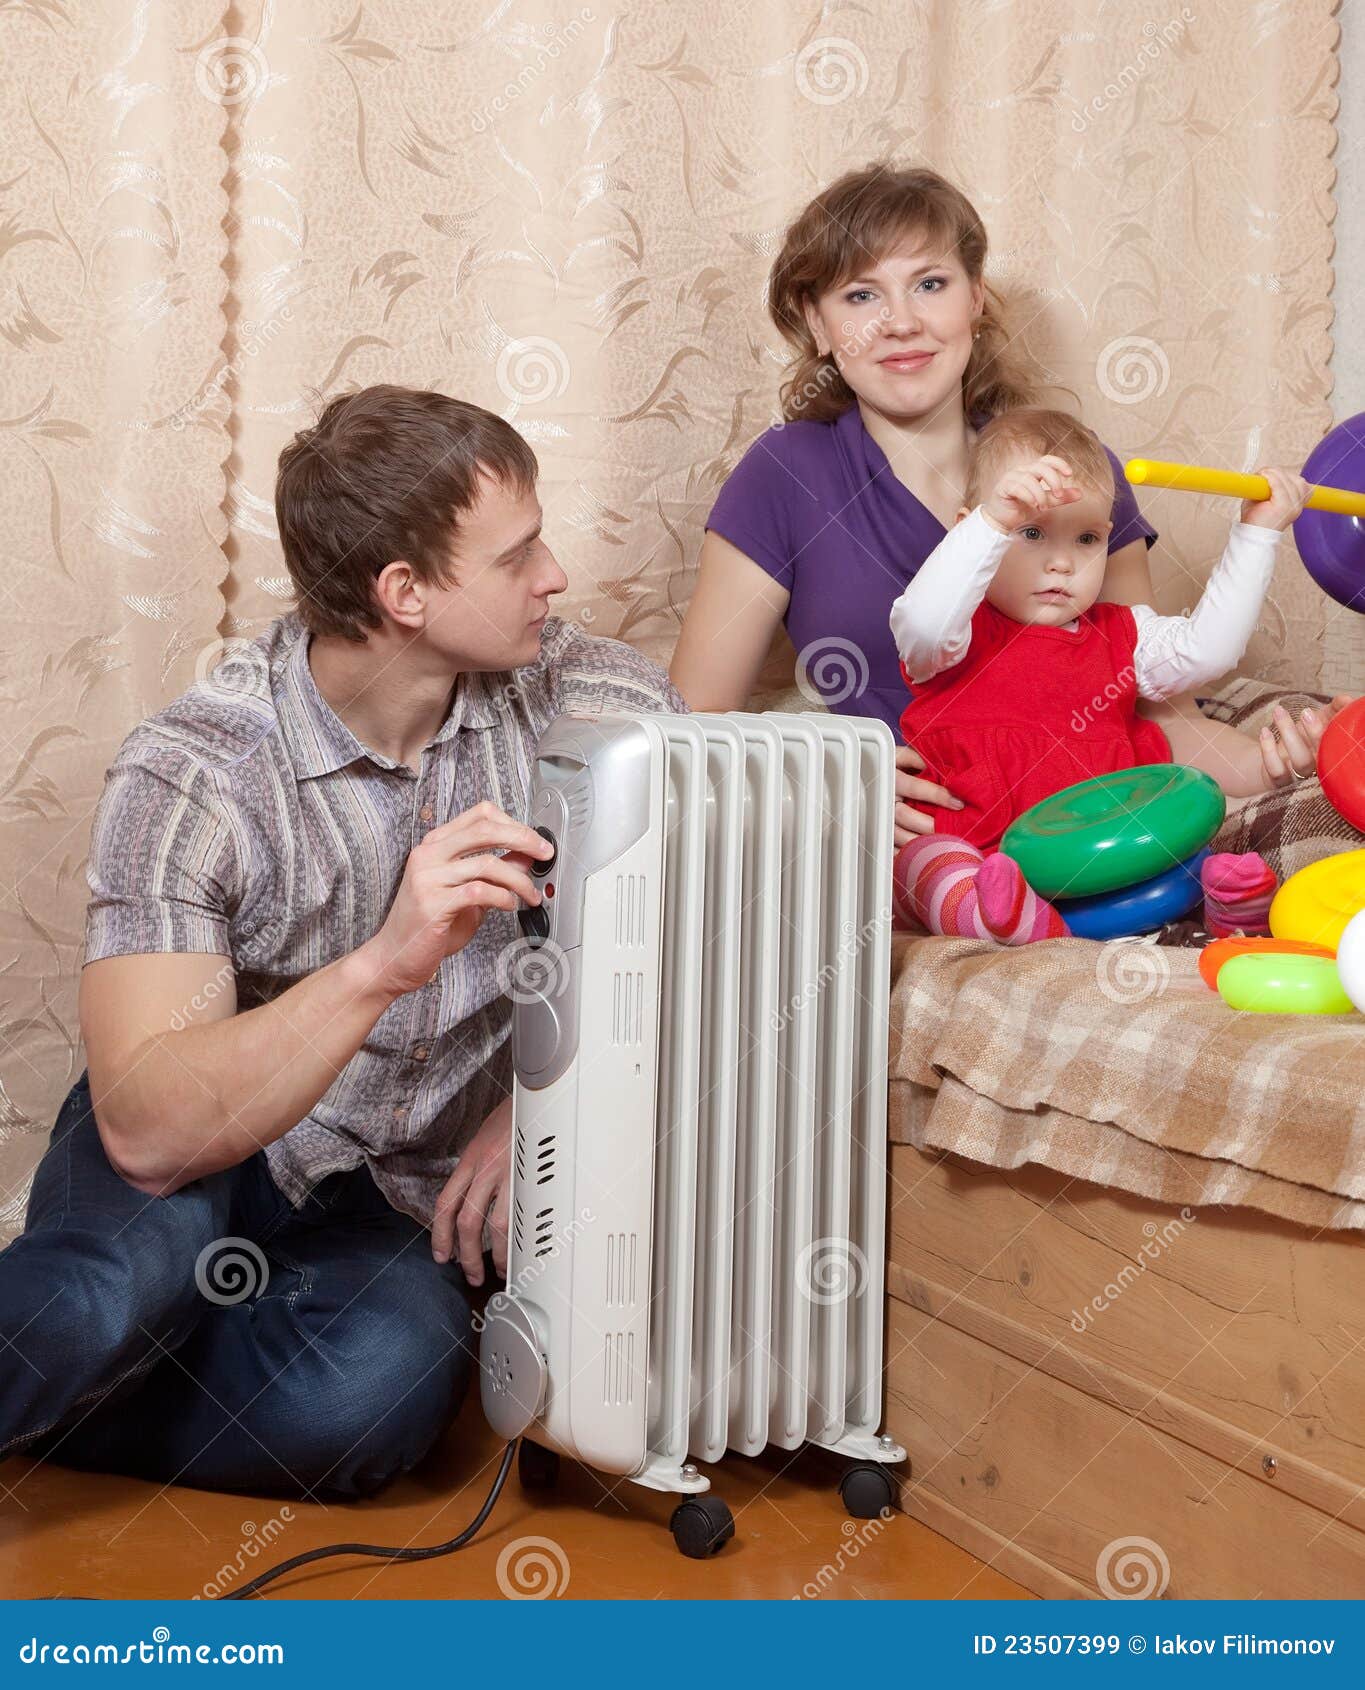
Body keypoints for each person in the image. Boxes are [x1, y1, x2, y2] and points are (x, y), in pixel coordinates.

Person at [0, 384, 685, 1499]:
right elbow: (145, 1129)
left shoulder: (599, 705)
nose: (555, 575)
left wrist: (540, 1106)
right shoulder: (197, 769)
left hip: (390, 1193)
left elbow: (695, 940)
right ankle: (97, 1345)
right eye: (516, 558)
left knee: (377, 1386)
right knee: (115, 1287)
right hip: (228, 1129)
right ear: (403, 592)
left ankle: (71, 1394)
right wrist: (381, 966)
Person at [668, 161, 1334, 850]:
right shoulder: (784, 473)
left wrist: (1273, 764)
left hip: (1084, 829)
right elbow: (687, 723)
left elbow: (1156, 714)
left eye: (930, 284)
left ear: (975, 299)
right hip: (916, 846)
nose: (900, 322)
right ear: (815, 323)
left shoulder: (1081, 472)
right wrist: (829, 776)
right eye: (861, 296)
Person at [888, 407, 1312, 943]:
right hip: (981, 855)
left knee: (1189, 843)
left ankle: (1228, 910)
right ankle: (996, 917)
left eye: (1086, 539)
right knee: (919, 864)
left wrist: (1258, 535)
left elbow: (1210, 652)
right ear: (972, 530)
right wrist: (991, 525)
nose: (1062, 562)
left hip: (1105, 861)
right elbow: (923, 617)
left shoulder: (1122, 635)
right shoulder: (952, 639)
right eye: (1032, 531)